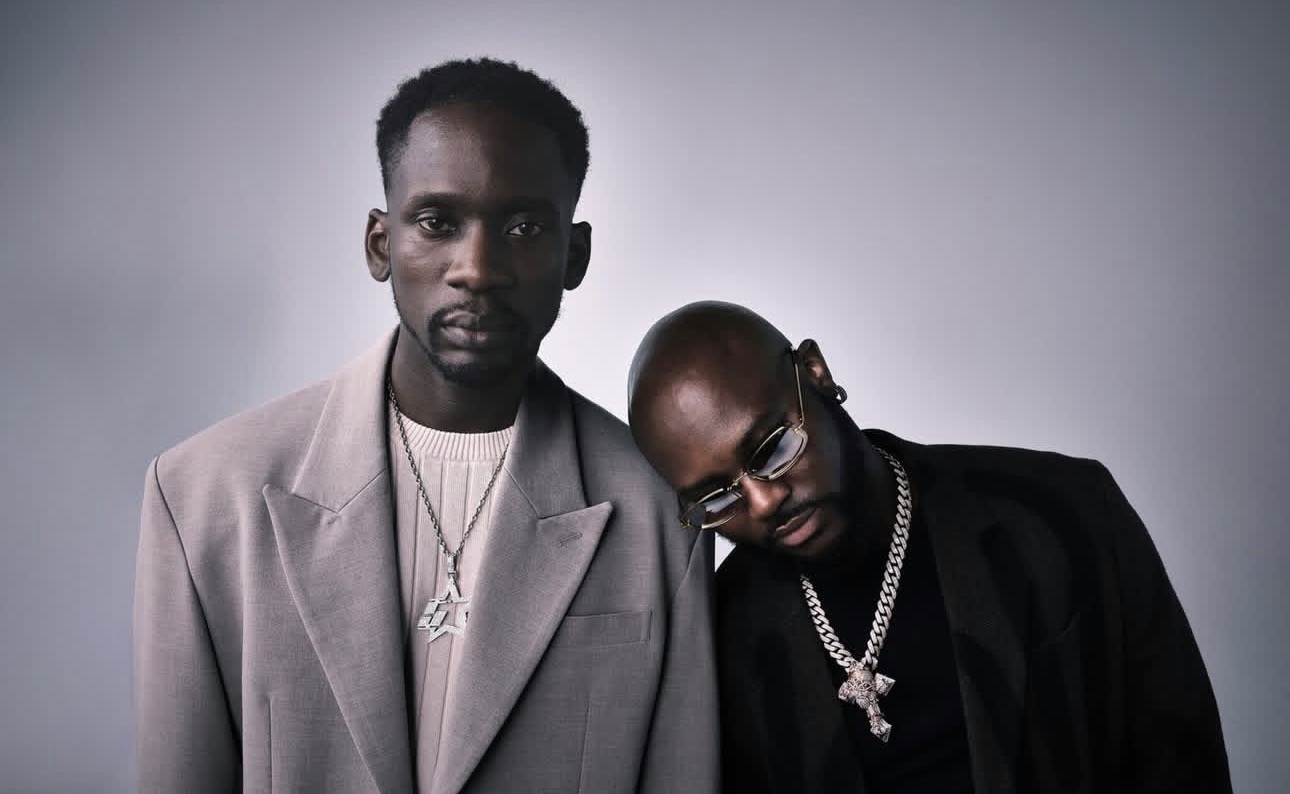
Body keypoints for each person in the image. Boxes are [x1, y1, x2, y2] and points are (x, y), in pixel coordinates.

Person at [133, 58, 718, 794]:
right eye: (438, 222)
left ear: (575, 256)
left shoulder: (661, 510)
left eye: (524, 227)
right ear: (381, 244)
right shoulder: (202, 496)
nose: (477, 268)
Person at [626, 300, 1230, 794]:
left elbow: (1181, 759)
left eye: (773, 448)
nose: (763, 503)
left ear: (816, 373)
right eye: (718, 497)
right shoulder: (718, 635)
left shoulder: (1063, 509)